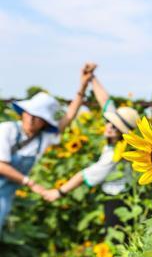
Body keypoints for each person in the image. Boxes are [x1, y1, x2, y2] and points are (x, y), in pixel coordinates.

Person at [0, 64, 94, 234]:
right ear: (23, 112)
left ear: (45, 122)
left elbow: (69, 116)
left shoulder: (42, 139)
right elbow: (1, 165)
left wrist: (83, 85)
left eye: (39, 117)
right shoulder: (6, 129)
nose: (32, 119)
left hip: (5, 196)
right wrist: (31, 183)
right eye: (30, 113)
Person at [44, 70, 140, 227]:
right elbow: (105, 100)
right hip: (121, 196)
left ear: (123, 134)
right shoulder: (114, 142)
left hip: (119, 200)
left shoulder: (116, 155)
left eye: (115, 128)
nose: (109, 128)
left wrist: (59, 192)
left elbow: (84, 175)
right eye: (109, 123)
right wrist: (91, 77)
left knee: (118, 241)